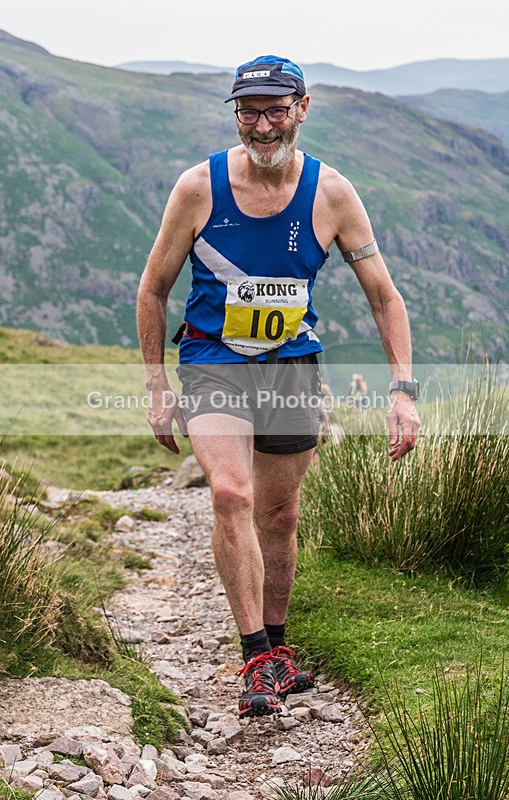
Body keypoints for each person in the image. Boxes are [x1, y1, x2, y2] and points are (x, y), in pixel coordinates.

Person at [136, 55, 421, 719]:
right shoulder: (198, 188)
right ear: (235, 112)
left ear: (302, 109)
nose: (261, 126)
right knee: (231, 493)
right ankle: (256, 657)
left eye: (273, 111)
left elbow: (384, 296)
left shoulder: (332, 194)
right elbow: (153, 288)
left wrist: (402, 389)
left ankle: (281, 648)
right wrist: (155, 384)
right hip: (212, 359)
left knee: (280, 515)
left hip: (292, 365)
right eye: (247, 112)